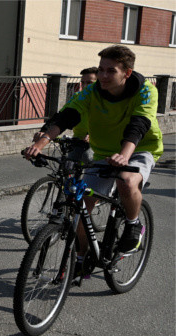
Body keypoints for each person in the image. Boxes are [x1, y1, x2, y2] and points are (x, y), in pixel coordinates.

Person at [25, 45, 163, 277]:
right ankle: (82, 256)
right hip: (103, 153)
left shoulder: (145, 90)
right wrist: (40, 144)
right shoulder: (92, 91)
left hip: (139, 149)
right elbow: (67, 115)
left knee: (127, 181)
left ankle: (132, 224)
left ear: (126, 73)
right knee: (81, 208)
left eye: (111, 71)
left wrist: (125, 154)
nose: (103, 76)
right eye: (101, 70)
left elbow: (139, 123)